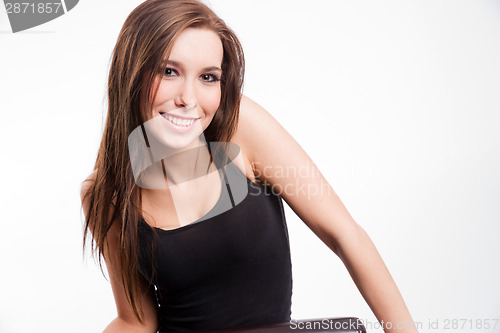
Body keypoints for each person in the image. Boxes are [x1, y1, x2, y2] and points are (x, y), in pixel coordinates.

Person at [80, 0, 418, 332]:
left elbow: (345, 235)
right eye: (169, 72)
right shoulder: (104, 192)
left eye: (208, 77)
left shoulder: (242, 129)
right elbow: (136, 320)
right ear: (131, 73)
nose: (189, 98)